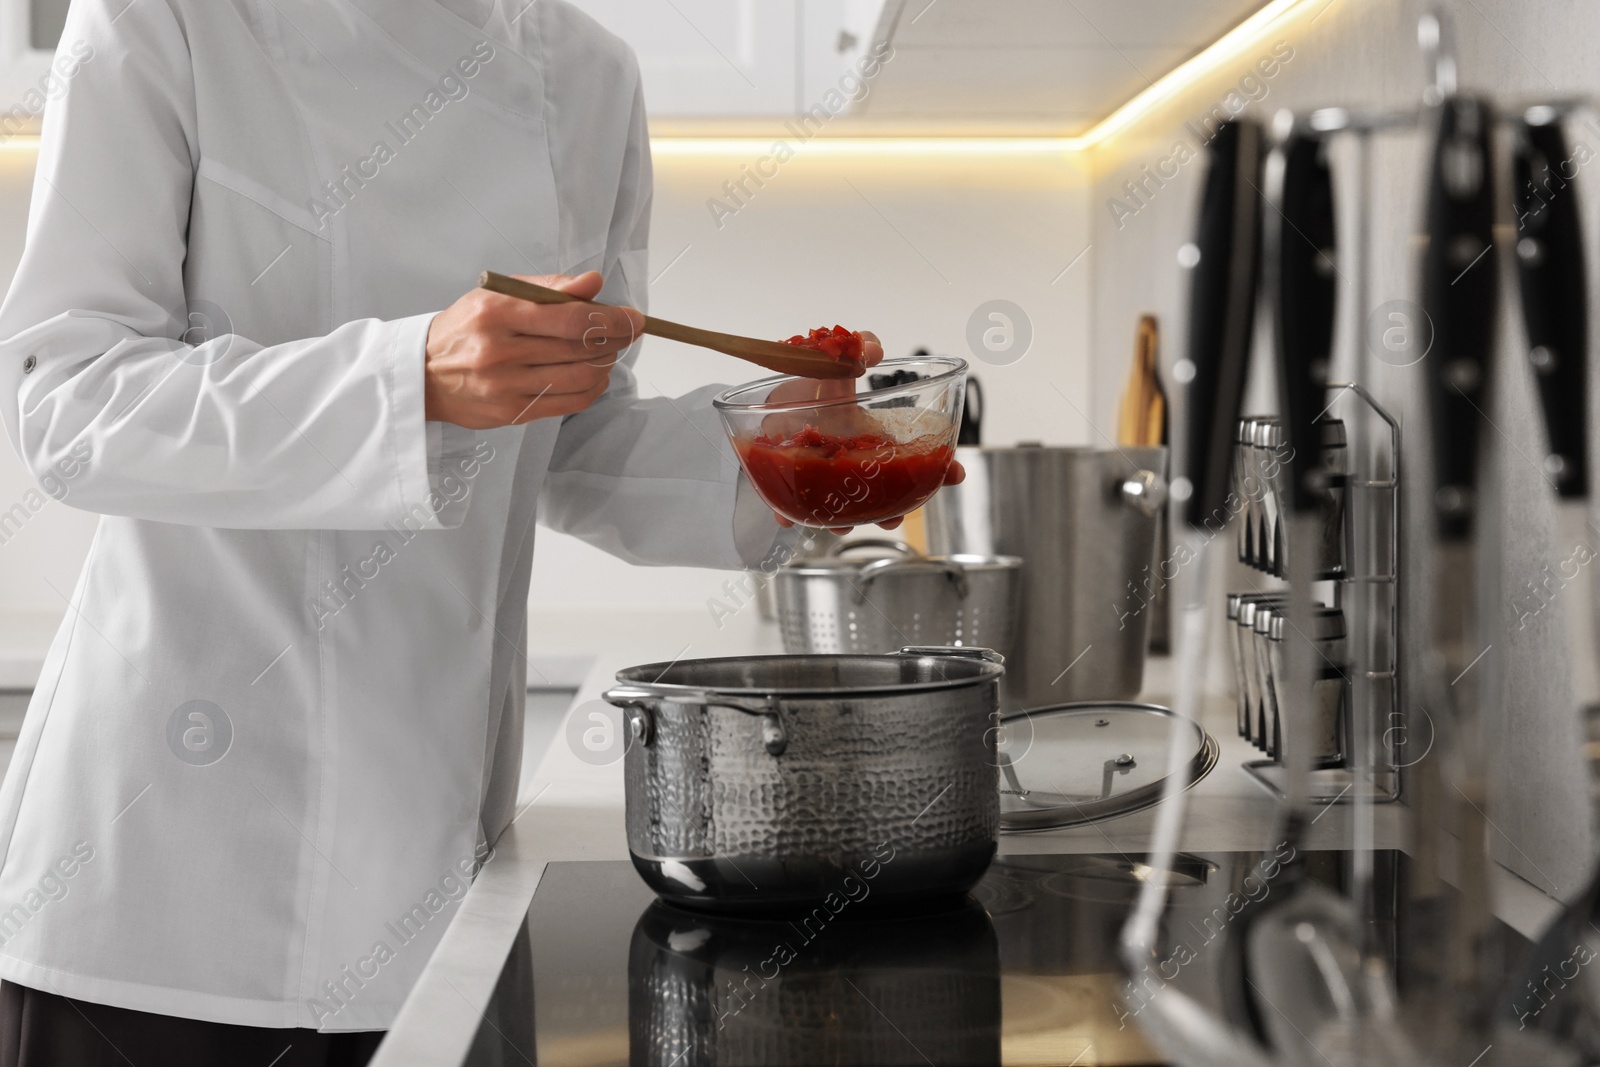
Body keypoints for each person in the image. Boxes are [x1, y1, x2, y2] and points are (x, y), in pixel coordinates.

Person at [0, 1, 958, 1063]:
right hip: (168, 888)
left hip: (437, 883)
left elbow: (567, 433)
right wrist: (409, 377)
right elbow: (74, 405)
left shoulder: (589, 72)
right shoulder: (165, 16)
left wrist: (779, 457)